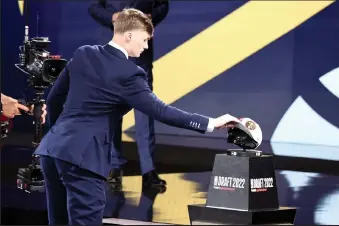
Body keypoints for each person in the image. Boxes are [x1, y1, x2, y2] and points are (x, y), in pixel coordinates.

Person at [34, 8, 241, 225]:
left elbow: (53, 100)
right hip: (84, 157)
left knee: (57, 221)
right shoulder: (129, 74)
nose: (146, 46)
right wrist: (211, 123)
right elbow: (161, 111)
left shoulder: (84, 53)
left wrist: (60, 136)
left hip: (52, 150)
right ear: (129, 35)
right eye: (144, 39)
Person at [88, 0, 169, 188]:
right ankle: (114, 166)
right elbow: (94, 6)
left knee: (145, 113)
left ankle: (148, 170)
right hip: (110, 51)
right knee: (112, 110)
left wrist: (151, 17)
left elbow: (162, 4)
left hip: (140, 55)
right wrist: (112, 17)